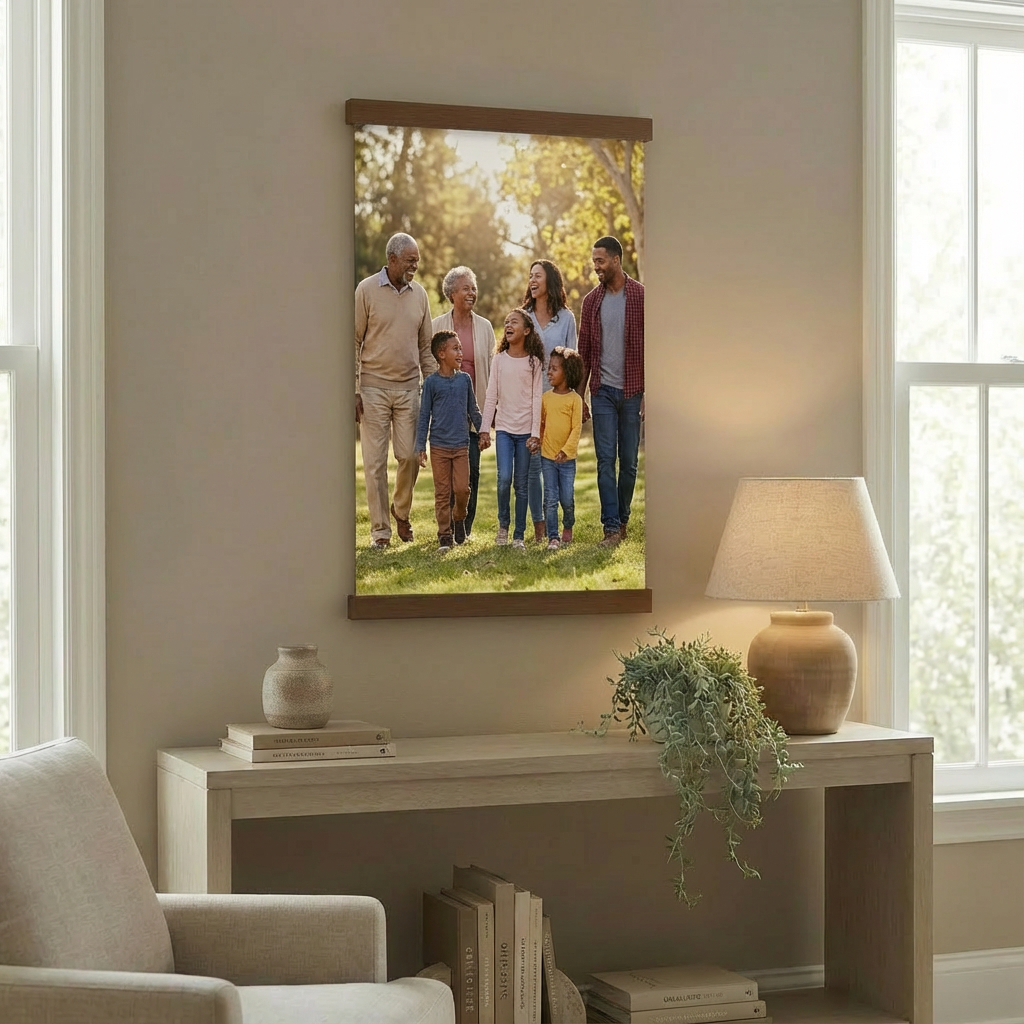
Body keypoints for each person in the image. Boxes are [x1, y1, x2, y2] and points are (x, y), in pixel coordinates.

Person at [354, 232, 434, 549]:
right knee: (374, 465)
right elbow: (353, 340)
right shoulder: (366, 291)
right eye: (410, 260)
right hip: (372, 388)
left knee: (410, 457)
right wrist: (353, 389)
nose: (415, 264)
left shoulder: (420, 295)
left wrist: (434, 387)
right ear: (392, 260)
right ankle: (381, 533)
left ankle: (400, 511)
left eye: (416, 259)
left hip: (408, 389)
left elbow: (426, 347)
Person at [577, 235, 645, 547]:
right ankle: (611, 528)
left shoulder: (642, 297)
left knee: (629, 462)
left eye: (600, 261)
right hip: (602, 391)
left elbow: (653, 349)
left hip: (633, 391)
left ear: (616, 260)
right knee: (606, 460)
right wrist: (579, 396)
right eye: (594, 262)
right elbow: (585, 354)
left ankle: (624, 516)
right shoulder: (591, 302)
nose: (596, 267)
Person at [431, 266, 496, 540]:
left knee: (472, 472)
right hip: (446, 412)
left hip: (475, 407)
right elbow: (428, 367)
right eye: (466, 288)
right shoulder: (436, 326)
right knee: (446, 477)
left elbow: (493, 369)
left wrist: (491, 412)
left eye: (473, 287)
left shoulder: (485, 327)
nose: (472, 293)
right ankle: (446, 529)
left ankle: (463, 529)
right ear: (451, 294)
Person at [479, 309, 544, 551]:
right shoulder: (499, 360)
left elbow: (537, 398)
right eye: (506, 322)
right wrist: (485, 429)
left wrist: (535, 433)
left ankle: (519, 534)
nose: (508, 325)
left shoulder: (534, 363)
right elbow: (491, 397)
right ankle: (503, 526)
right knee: (504, 477)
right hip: (505, 429)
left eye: (514, 322)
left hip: (526, 431)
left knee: (522, 484)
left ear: (526, 330)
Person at [523, 259, 578, 542]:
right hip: (530, 401)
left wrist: (577, 402)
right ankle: (540, 525)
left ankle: (564, 521)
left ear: (550, 282)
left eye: (538, 276)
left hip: (558, 402)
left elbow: (573, 362)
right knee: (534, 467)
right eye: (530, 276)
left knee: (558, 464)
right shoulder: (523, 316)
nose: (532, 280)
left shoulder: (566, 318)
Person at [415, 331, 484, 552]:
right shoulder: (431, 383)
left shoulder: (465, 380)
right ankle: (444, 534)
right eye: (455, 348)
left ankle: (459, 518)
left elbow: (473, 409)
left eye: (461, 348)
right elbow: (424, 415)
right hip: (439, 447)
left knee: (463, 489)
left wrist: (483, 432)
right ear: (441, 354)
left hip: (461, 445)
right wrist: (420, 446)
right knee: (442, 493)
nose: (460, 353)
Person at [540, 347, 584, 551]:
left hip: (567, 461)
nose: (549, 372)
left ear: (567, 372)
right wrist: (537, 441)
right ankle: (553, 537)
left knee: (566, 497)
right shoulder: (546, 398)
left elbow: (576, 428)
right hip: (547, 457)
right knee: (550, 498)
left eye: (554, 369)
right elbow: (541, 424)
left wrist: (566, 451)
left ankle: (568, 524)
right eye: (549, 368)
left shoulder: (575, 400)